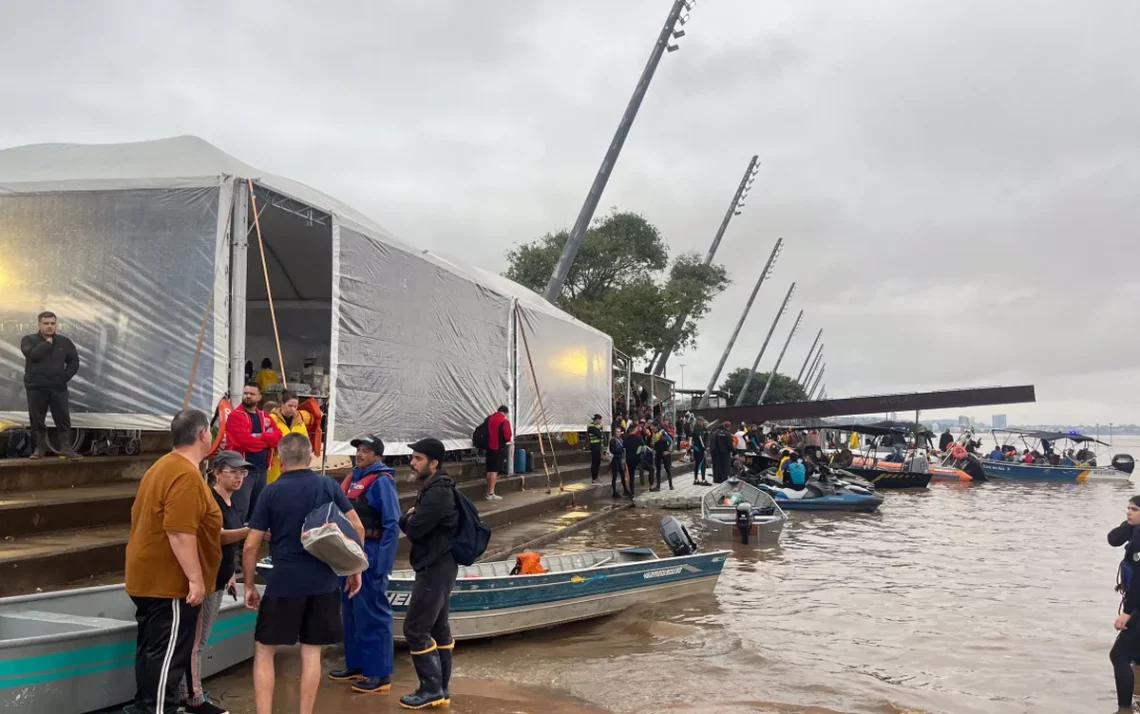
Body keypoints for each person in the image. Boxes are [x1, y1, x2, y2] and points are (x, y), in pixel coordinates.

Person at [242, 433, 365, 714]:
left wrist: (249, 585)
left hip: (284, 583)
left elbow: (251, 546)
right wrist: (354, 568)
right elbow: (356, 527)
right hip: (323, 583)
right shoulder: (327, 484)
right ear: (311, 456)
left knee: (264, 651)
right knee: (311, 654)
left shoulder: (271, 491)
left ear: (280, 459)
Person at [124, 409, 222, 714]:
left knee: (153, 650)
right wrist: (195, 579)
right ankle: (157, 709)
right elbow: (179, 531)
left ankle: (145, 707)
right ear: (203, 435)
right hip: (169, 583)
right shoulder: (185, 475)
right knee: (166, 654)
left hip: (148, 577)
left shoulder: (162, 467)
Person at [328, 434, 401, 693]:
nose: (359, 454)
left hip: (370, 553)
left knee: (373, 614)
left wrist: (382, 562)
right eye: (358, 449)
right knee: (350, 612)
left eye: (366, 450)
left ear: (377, 456)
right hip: (348, 552)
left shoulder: (381, 482)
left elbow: (392, 524)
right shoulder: (351, 479)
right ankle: (357, 664)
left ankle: (380, 674)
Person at [179, 451, 251, 714]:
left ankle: (186, 692)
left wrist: (230, 573)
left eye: (242, 472)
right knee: (196, 641)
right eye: (232, 471)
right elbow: (216, 537)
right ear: (217, 472)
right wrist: (251, 531)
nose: (239, 477)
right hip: (205, 579)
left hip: (219, 578)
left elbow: (225, 547)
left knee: (201, 638)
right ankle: (193, 698)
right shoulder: (211, 500)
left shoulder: (231, 502)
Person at [398, 438, 460, 710]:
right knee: (437, 627)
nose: (412, 462)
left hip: (435, 566)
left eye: (418, 458)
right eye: (413, 457)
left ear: (434, 463)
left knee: (415, 628)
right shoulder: (435, 486)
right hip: (438, 564)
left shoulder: (438, 492)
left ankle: (431, 688)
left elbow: (415, 529)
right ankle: (441, 689)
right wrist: (412, 516)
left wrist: (408, 517)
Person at [21, 311, 81, 460]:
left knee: (63, 418)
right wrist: (46, 343)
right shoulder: (28, 340)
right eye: (46, 323)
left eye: (52, 323)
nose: (49, 327)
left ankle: (66, 448)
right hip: (36, 386)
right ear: (39, 324)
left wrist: (65, 377)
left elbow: (74, 361)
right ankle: (39, 449)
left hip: (58, 387)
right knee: (37, 419)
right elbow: (33, 355)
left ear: (56, 324)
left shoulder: (64, 342)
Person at [225, 382, 282, 521]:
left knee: (257, 512)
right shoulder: (235, 416)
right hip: (242, 471)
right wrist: (266, 441)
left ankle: (252, 541)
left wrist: (260, 436)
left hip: (262, 471)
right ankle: (237, 541)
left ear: (259, 397)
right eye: (246, 393)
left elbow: (278, 437)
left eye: (251, 394)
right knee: (240, 511)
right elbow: (243, 442)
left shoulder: (264, 417)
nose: (247, 396)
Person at [1109, 495, 1140, 712]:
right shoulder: (1134, 530)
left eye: (1134, 509)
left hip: (1137, 605)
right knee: (1137, 657)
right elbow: (1113, 539)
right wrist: (1129, 524)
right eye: (1128, 508)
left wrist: (1128, 612)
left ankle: (1124, 710)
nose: (1128, 512)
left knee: (1119, 655)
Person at [268, 391, 310, 484]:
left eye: (295, 406)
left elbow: (305, 440)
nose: (293, 409)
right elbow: (268, 441)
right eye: (290, 406)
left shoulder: (299, 421)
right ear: (282, 404)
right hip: (277, 465)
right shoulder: (271, 419)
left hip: (296, 466)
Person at [484, 405, 512, 501]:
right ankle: (491, 493)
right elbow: (508, 436)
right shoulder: (504, 421)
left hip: (488, 447)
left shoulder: (489, 419)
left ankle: (488, 490)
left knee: (489, 469)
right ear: (506, 413)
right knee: (494, 471)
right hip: (498, 448)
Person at [622, 425, 644, 498]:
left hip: (629, 459)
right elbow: (643, 446)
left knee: (631, 475)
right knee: (636, 474)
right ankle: (641, 484)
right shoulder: (638, 438)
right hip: (637, 459)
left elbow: (623, 447)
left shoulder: (626, 439)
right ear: (634, 430)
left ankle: (632, 492)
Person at [652, 423, 674, 491]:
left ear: (656, 427)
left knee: (667, 469)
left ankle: (671, 485)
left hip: (665, 453)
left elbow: (670, 441)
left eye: (653, 427)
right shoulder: (653, 434)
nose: (652, 428)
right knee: (658, 470)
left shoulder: (663, 432)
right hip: (658, 453)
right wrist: (654, 450)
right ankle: (658, 486)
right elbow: (653, 443)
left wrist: (668, 451)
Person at [609, 426, 628, 498]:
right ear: (615, 432)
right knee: (614, 476)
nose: (618, 433)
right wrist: (621, 450)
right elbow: (613, 450)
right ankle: (614, 492)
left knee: (622, 475)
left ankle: (625, 490)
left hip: (620, 459)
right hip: (615, 459)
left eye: (619, 432)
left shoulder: (621, 439)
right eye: (617, 432)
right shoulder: (613, 440)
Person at [691, 417, 709, 486]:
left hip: (696, 448)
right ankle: (703, 480)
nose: (702, 422)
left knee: (697, 464)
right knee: (703, 464)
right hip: (700, 449)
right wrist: (704, 449)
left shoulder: (696, 428)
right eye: (701, 421)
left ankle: (696, 479)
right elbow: (700, 439)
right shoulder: (698, 429)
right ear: (698, 421)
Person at [587, 414, 604, 484]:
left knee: (598, 462)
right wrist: (600, 428)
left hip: (598, 446)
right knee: (594, 462)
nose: (600, 421)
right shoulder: (591, 427)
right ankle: (593, 478)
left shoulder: (597, 427)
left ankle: (596, 477)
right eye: (599, 420)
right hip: (594, 447)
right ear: (596, 419)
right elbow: (599, 435)